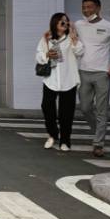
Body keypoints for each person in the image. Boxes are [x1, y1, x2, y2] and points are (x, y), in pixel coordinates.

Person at [75, 0, 110, 158]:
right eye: (84, 7)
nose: (86, 10)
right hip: (83, 72)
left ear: (98, 8)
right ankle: (98, 131)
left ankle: (98, 143)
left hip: (102, 74)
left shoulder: (109, 26)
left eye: (89, 7)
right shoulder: (78, 24)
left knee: (101, 109)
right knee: (85, 108)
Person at [36, 13, 83, 151]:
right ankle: (52, 135)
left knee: (66, 113)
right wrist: (46, 54)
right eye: (62, 21)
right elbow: (38, 55)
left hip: (68, 80)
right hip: (50, 80)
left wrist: (74, 37)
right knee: (47, 107)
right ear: (55, 23)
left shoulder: (71, 38)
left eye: (66, 21)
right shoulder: (47, 38)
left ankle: (65, 141)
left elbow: (80, 52)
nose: (65, 24)